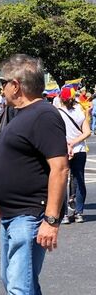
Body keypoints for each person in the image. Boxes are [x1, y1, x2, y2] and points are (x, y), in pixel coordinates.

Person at [0, 54, 68, 295]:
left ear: (16, 85)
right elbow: (20, 164)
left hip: (30, 215)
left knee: (19, 287)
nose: (2, 88)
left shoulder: (44, 115)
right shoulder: (20, 114)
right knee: (15, 282)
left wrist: (51, 221)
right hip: (12, 213)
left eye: (4, 82)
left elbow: (60, 168)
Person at [57, 87, 91, 224]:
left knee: (62, 181)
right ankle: (79, 213)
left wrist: (67, 145)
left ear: (61, 98)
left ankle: (64, 214)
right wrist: (74, 143)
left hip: (62, 150)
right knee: (79, 180)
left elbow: (55, 133)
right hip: (80, 149)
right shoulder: (79, 112)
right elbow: (87, 132)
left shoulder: (57, 113)